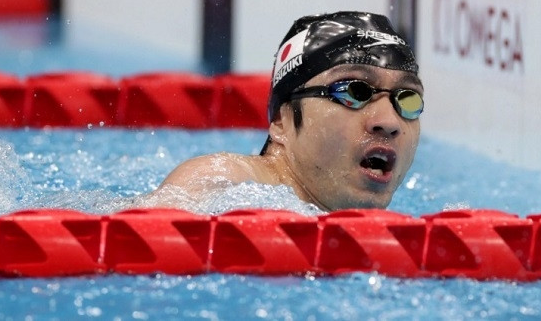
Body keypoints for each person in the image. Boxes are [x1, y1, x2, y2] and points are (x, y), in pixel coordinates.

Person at [157, 11, 424, 211]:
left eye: (407, 99)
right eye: (355, 91)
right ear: (281, 120)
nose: (390, 122)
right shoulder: (223, 182)